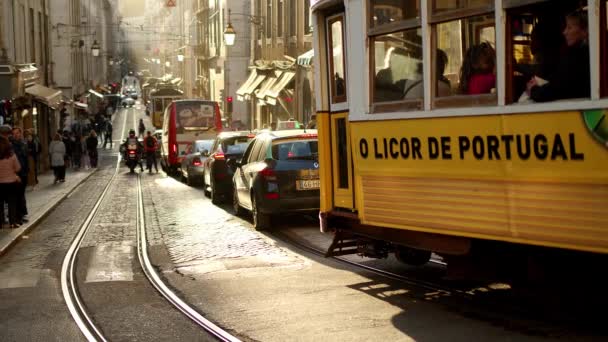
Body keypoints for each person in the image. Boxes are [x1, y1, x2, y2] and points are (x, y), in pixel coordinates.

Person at [526, 10, 590, 102]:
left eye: (569, 28)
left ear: (584, 31)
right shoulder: (579, 54)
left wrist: (533, 89)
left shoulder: (577, 57)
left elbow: (556, 89)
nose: (564, 32)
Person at [0, 136, 21, 228]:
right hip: (11, 182)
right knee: (12, 203)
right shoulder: (12, 155)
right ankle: (12, 222)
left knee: (0, 203)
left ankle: (0, 222)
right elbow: (18, 168)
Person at [11, 127, 29, 223]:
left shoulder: (23, 144)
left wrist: (27, 170)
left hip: (23, 172)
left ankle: (22, 214)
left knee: (21, 193)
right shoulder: (11, 146)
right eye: (14, 134)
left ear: (20, 134)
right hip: (16, 173)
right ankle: (19, 215)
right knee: (18, 194)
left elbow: (26, 158)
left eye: (17, 133)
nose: (16, 135)